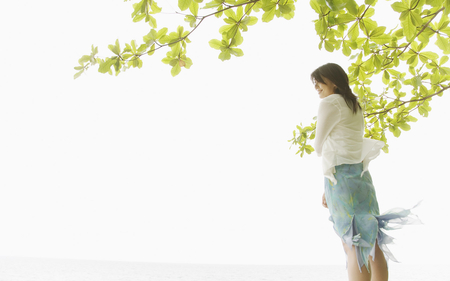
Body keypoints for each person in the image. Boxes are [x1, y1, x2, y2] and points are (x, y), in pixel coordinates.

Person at [311, 63, 420, 281]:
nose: (316, 87)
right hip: (361, 177)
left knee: (353, 242)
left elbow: (318, 146)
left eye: (319, 81)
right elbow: (348, 145)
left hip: (341, 178)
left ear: (334, 80)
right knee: (372, 240)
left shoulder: (329, 103)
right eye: (314, 83)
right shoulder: (354, 104)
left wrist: (330, 184)